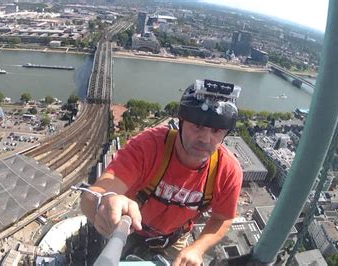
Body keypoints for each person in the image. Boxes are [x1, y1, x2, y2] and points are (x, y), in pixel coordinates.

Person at [79, 79, 243, 266]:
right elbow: (93, 195)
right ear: (181, 122)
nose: (205, 139)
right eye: (197, 126)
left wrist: (197, 248)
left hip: (174, 238)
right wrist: (105, 200)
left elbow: (223, 218)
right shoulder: (148, 147)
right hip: (129, 228)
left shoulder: (227, 171)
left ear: (225, 134)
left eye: (216, 131)